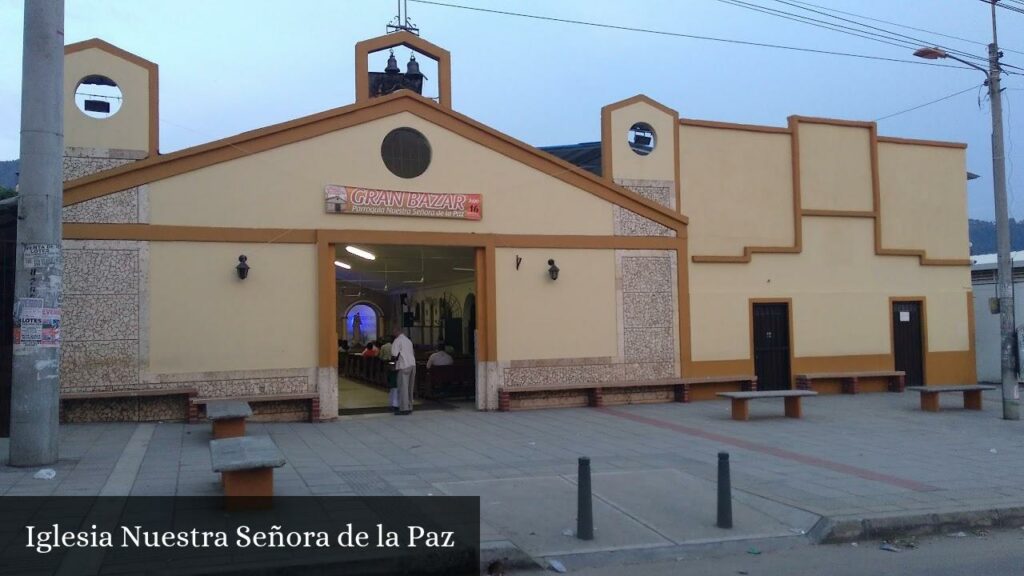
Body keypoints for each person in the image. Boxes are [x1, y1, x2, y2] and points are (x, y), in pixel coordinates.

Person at [391, 325, 416, 415]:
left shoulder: (397, 340)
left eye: (393, 331)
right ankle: (410, 406)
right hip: (412, 364)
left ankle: (404, 409)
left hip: (404, 365)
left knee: (403, 387)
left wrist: (393, 364)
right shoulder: (408, 340)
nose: (393, 333)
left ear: (397, 331)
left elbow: (394, 354)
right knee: (410, 387)